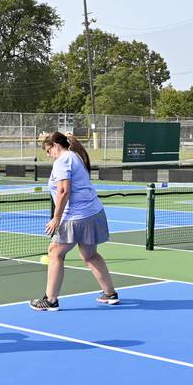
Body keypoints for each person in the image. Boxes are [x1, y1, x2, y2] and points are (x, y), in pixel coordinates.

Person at [30, 131, 118, 312]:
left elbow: (64, 191)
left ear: (55, 145)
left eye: (48, 150)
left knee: (54, 253)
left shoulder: (62, 161)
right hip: (93, 212)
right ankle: (110, 294)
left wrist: (56, 218)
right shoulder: (74, 156)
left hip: (75, 217)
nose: (48, 155)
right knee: (89, 255)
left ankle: (50, 300)